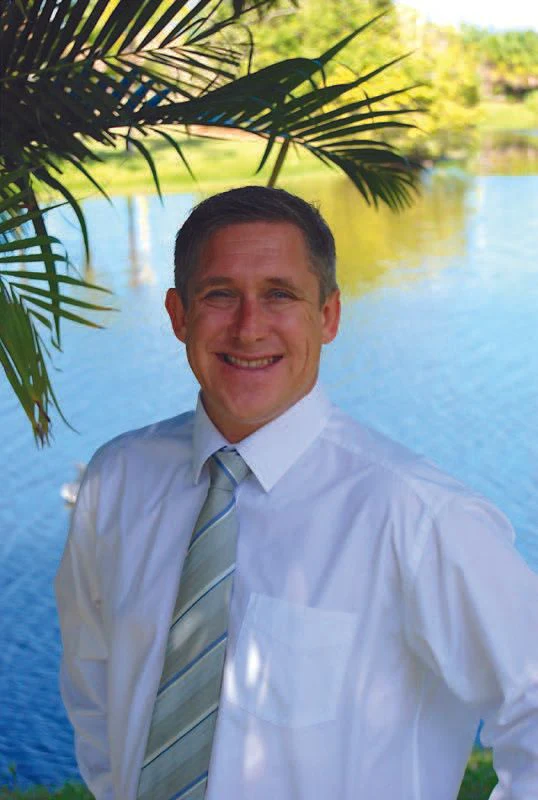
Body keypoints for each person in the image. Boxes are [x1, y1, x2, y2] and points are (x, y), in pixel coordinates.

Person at [55, 185, 538, 800]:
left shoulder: (417, 516)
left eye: (279, 294)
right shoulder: (116, 483)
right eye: (220, 294)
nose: (249, 327)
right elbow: (94, 691)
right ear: (178, 315)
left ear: (328, 316)